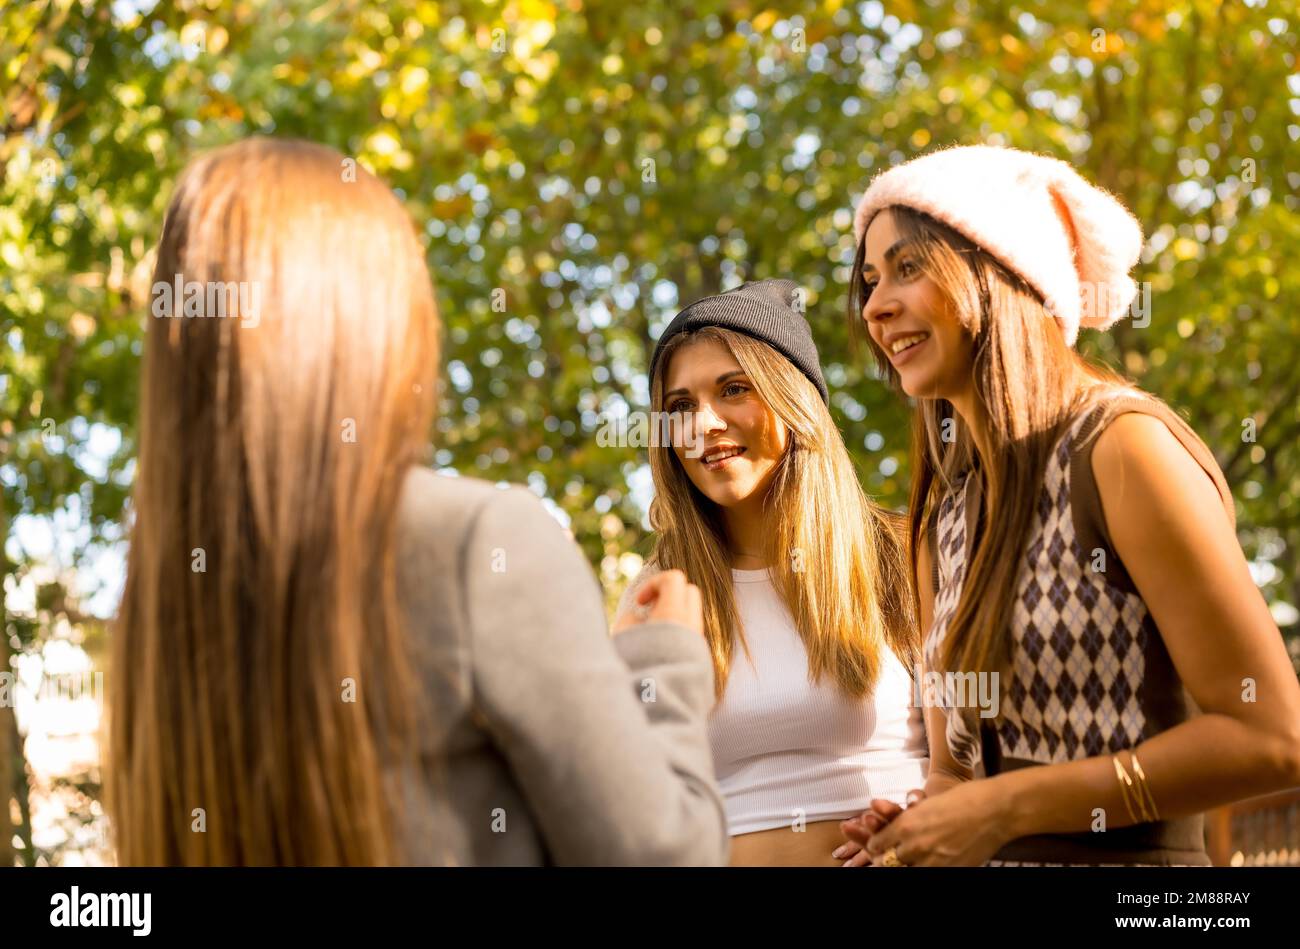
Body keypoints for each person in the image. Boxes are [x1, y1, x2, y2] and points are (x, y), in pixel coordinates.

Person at [106, 137, 728, 866]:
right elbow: (664, 855)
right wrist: (664, 667)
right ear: (374, 318)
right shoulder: (478, 542)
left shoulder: (159, 601)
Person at [834, 144, 1300, 866]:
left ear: (1002, 274)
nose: (874, 305)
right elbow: (954, 773)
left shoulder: (1122, 449)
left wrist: (1004, 807)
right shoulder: (943, 519)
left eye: (908, 267)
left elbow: (1271, 739)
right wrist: (922, 827)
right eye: (868, 281)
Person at [617, 279, 928, 866]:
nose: (703, 424)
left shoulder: (904, 554)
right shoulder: (659, 594)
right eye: (680, 406)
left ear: (794, 399)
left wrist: (924, 824)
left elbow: (974, 762)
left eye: (733, 389)